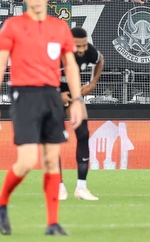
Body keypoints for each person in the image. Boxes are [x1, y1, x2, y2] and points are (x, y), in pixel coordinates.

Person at [0, 0, 86, 237]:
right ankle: (1, 203)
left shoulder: (59, 28)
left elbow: (71, 67)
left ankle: (52, 223)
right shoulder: (13, 26)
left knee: (52, 160)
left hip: (52, 96)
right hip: (24, 95)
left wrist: (77, 100)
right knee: (29, 161)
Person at [58, 27, 103, 202]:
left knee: (83, 134)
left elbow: (100, 61)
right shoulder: (55, 54)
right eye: (79, 46)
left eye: (84, 45)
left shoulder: (88, 51)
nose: (83, 49)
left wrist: (92, 84)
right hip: (50, 95)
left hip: (73, 95)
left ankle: (81, 187)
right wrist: (57, 95)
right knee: (55, 140)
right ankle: (59, 187)